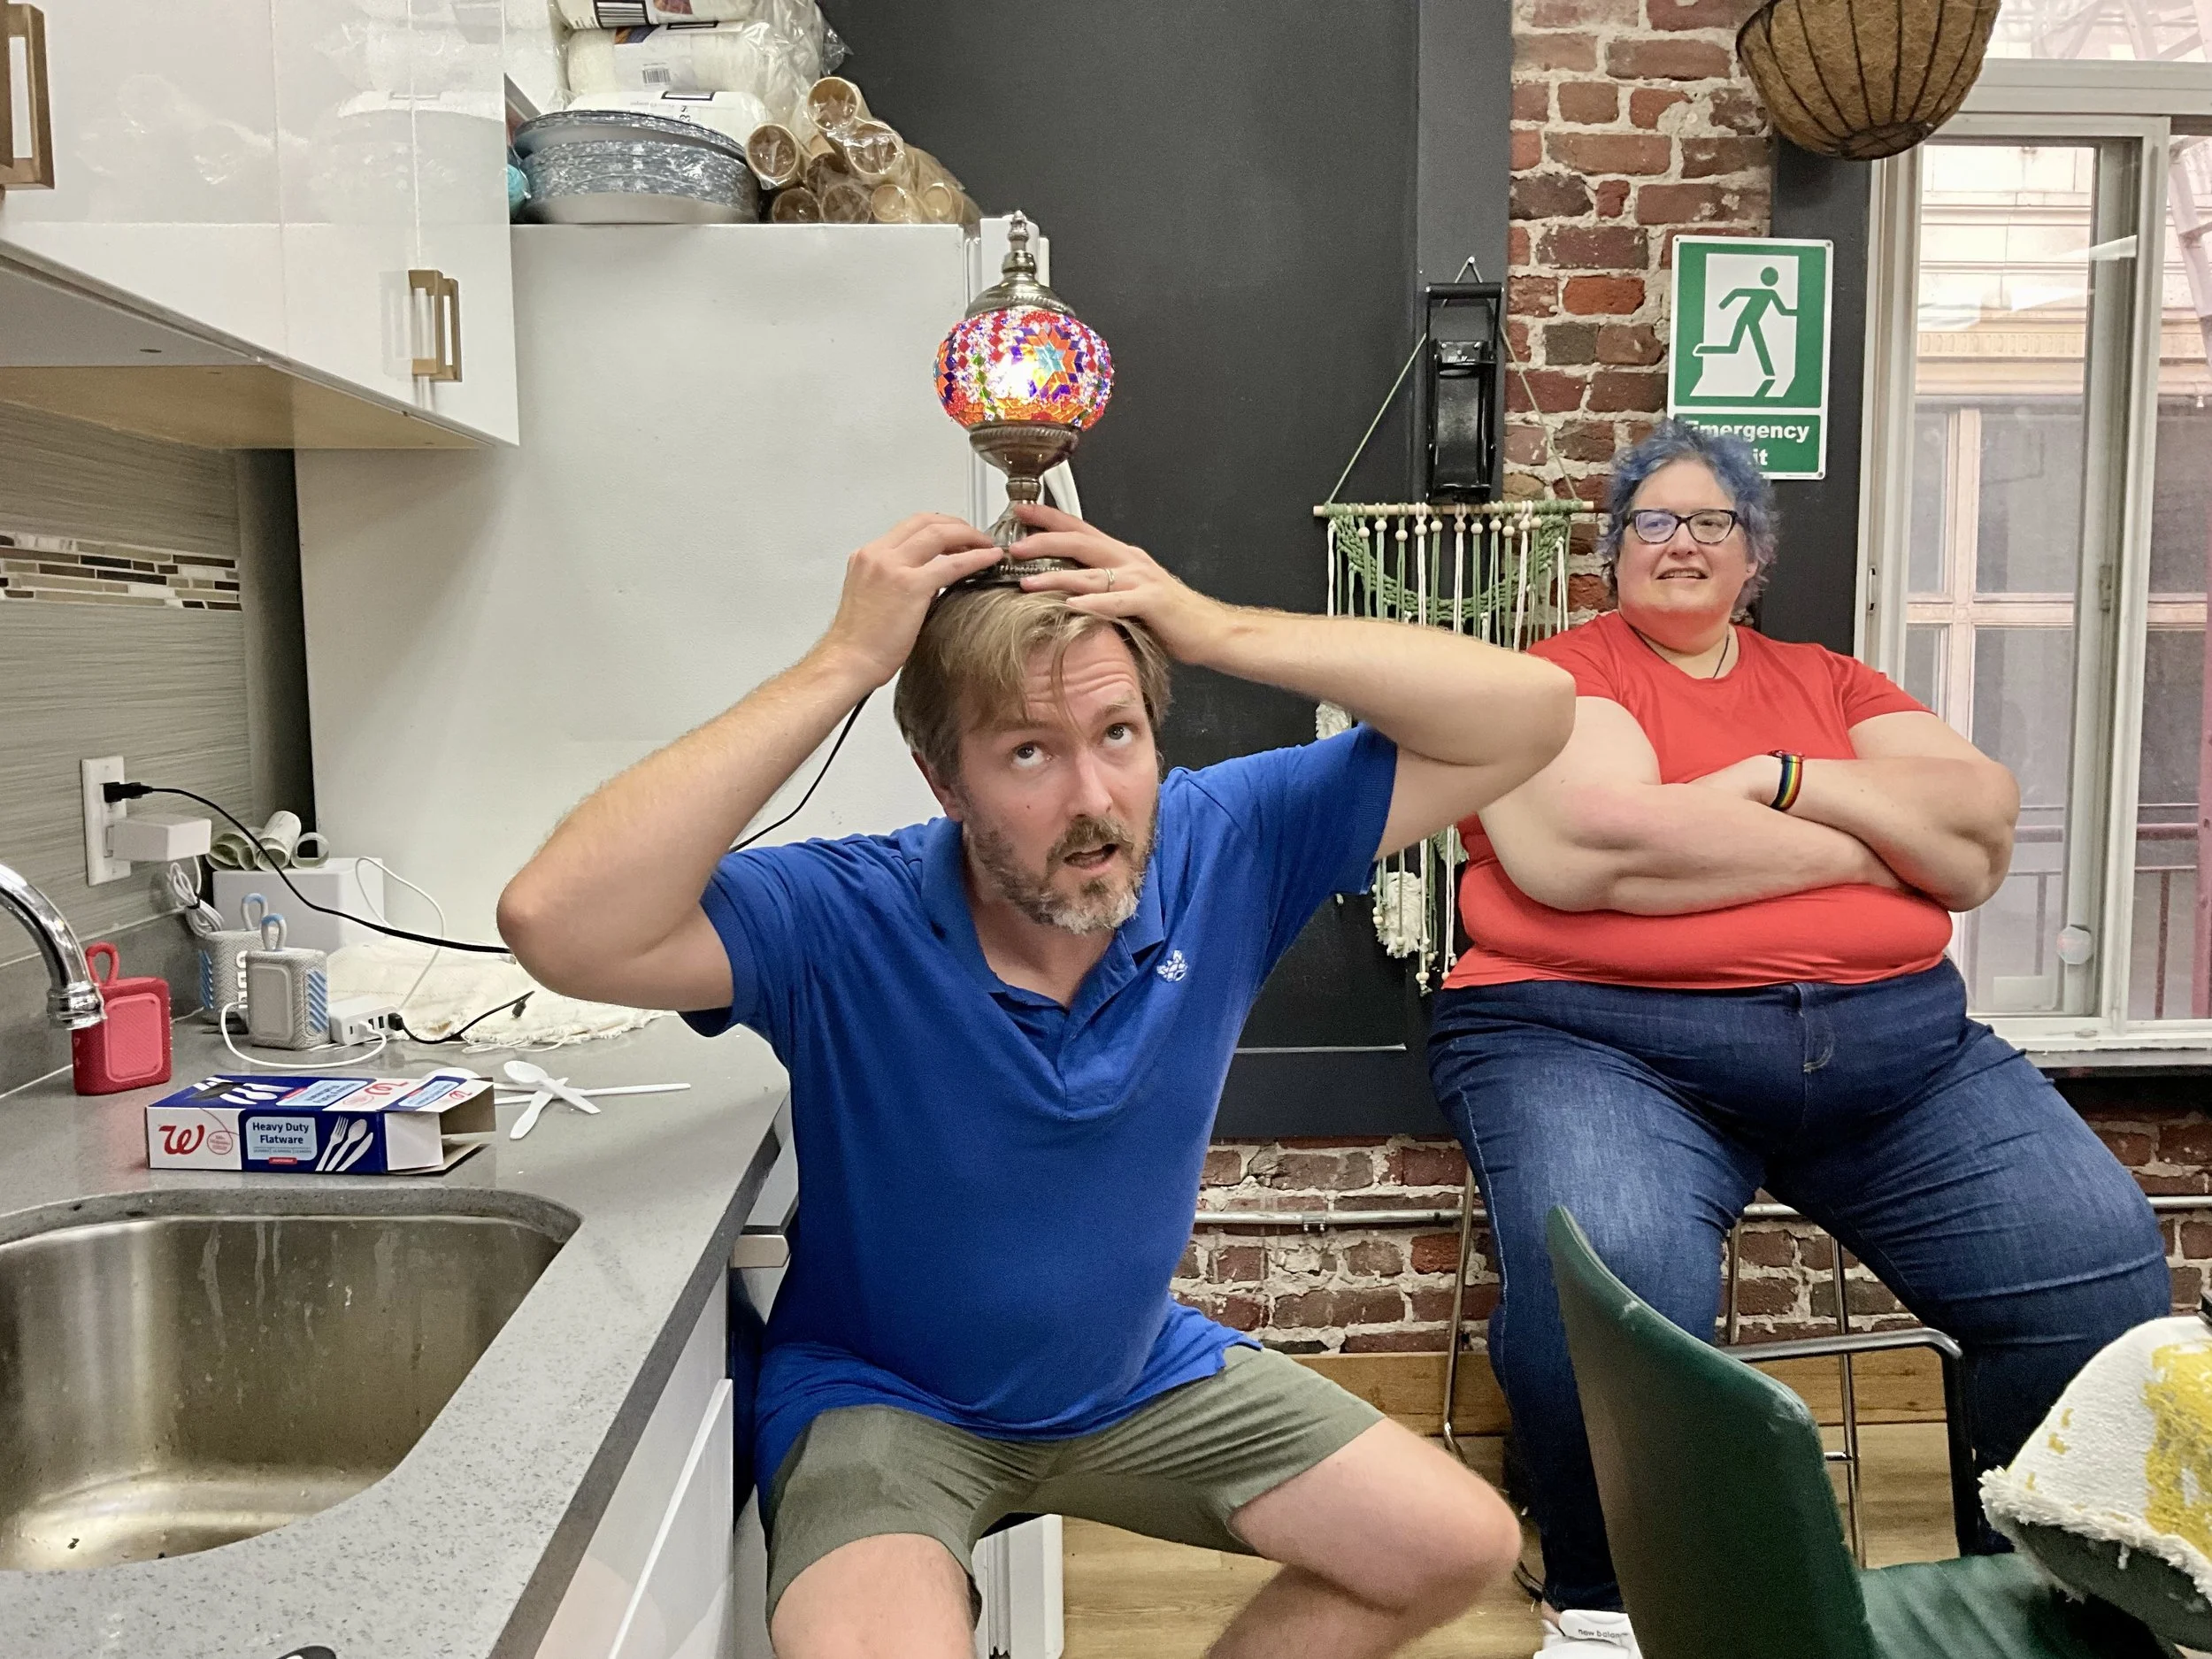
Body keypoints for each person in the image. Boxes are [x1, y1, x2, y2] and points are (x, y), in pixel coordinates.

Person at [498, 502, 1576, 1659]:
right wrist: (842, 661)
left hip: (1130, 1376)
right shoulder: (841, 914)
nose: (1093, 799)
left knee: (1455, 1540)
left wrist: (1210, 626)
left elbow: (1532, 714)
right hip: (886, 1398)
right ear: (941, 780)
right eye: (1027, 752)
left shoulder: (1222, 845)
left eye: (1119, 734)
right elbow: (556, 921)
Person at [1425, 420, 2170, 1659]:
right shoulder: (1564, 678)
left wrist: (1778, 779)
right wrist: (1885, 844)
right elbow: (1593, 848)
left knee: (2091, 1256)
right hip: (1597, 1037)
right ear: (1611, 556)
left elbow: (1982, 826)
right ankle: (1609, 1613)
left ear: (1753, 554)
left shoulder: (1831, 684)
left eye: (1711, 520)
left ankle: (2044, 1599)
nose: (1680, 542)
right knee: (1623, 1294)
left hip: (1894, 1049)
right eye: (1650, 521)